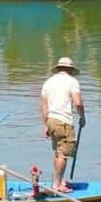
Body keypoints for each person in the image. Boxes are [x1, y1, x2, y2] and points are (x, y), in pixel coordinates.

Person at [41, 56, 85, 193]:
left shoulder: (48, 83)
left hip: (51, 120)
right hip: (64, 122)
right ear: (70, 70)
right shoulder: (72, 82)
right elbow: (78, 102)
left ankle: (59, 180)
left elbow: (44, 106)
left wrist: (46, 125)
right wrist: (82, 116)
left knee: (57, 152)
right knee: (63, 154)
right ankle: (57, 184)